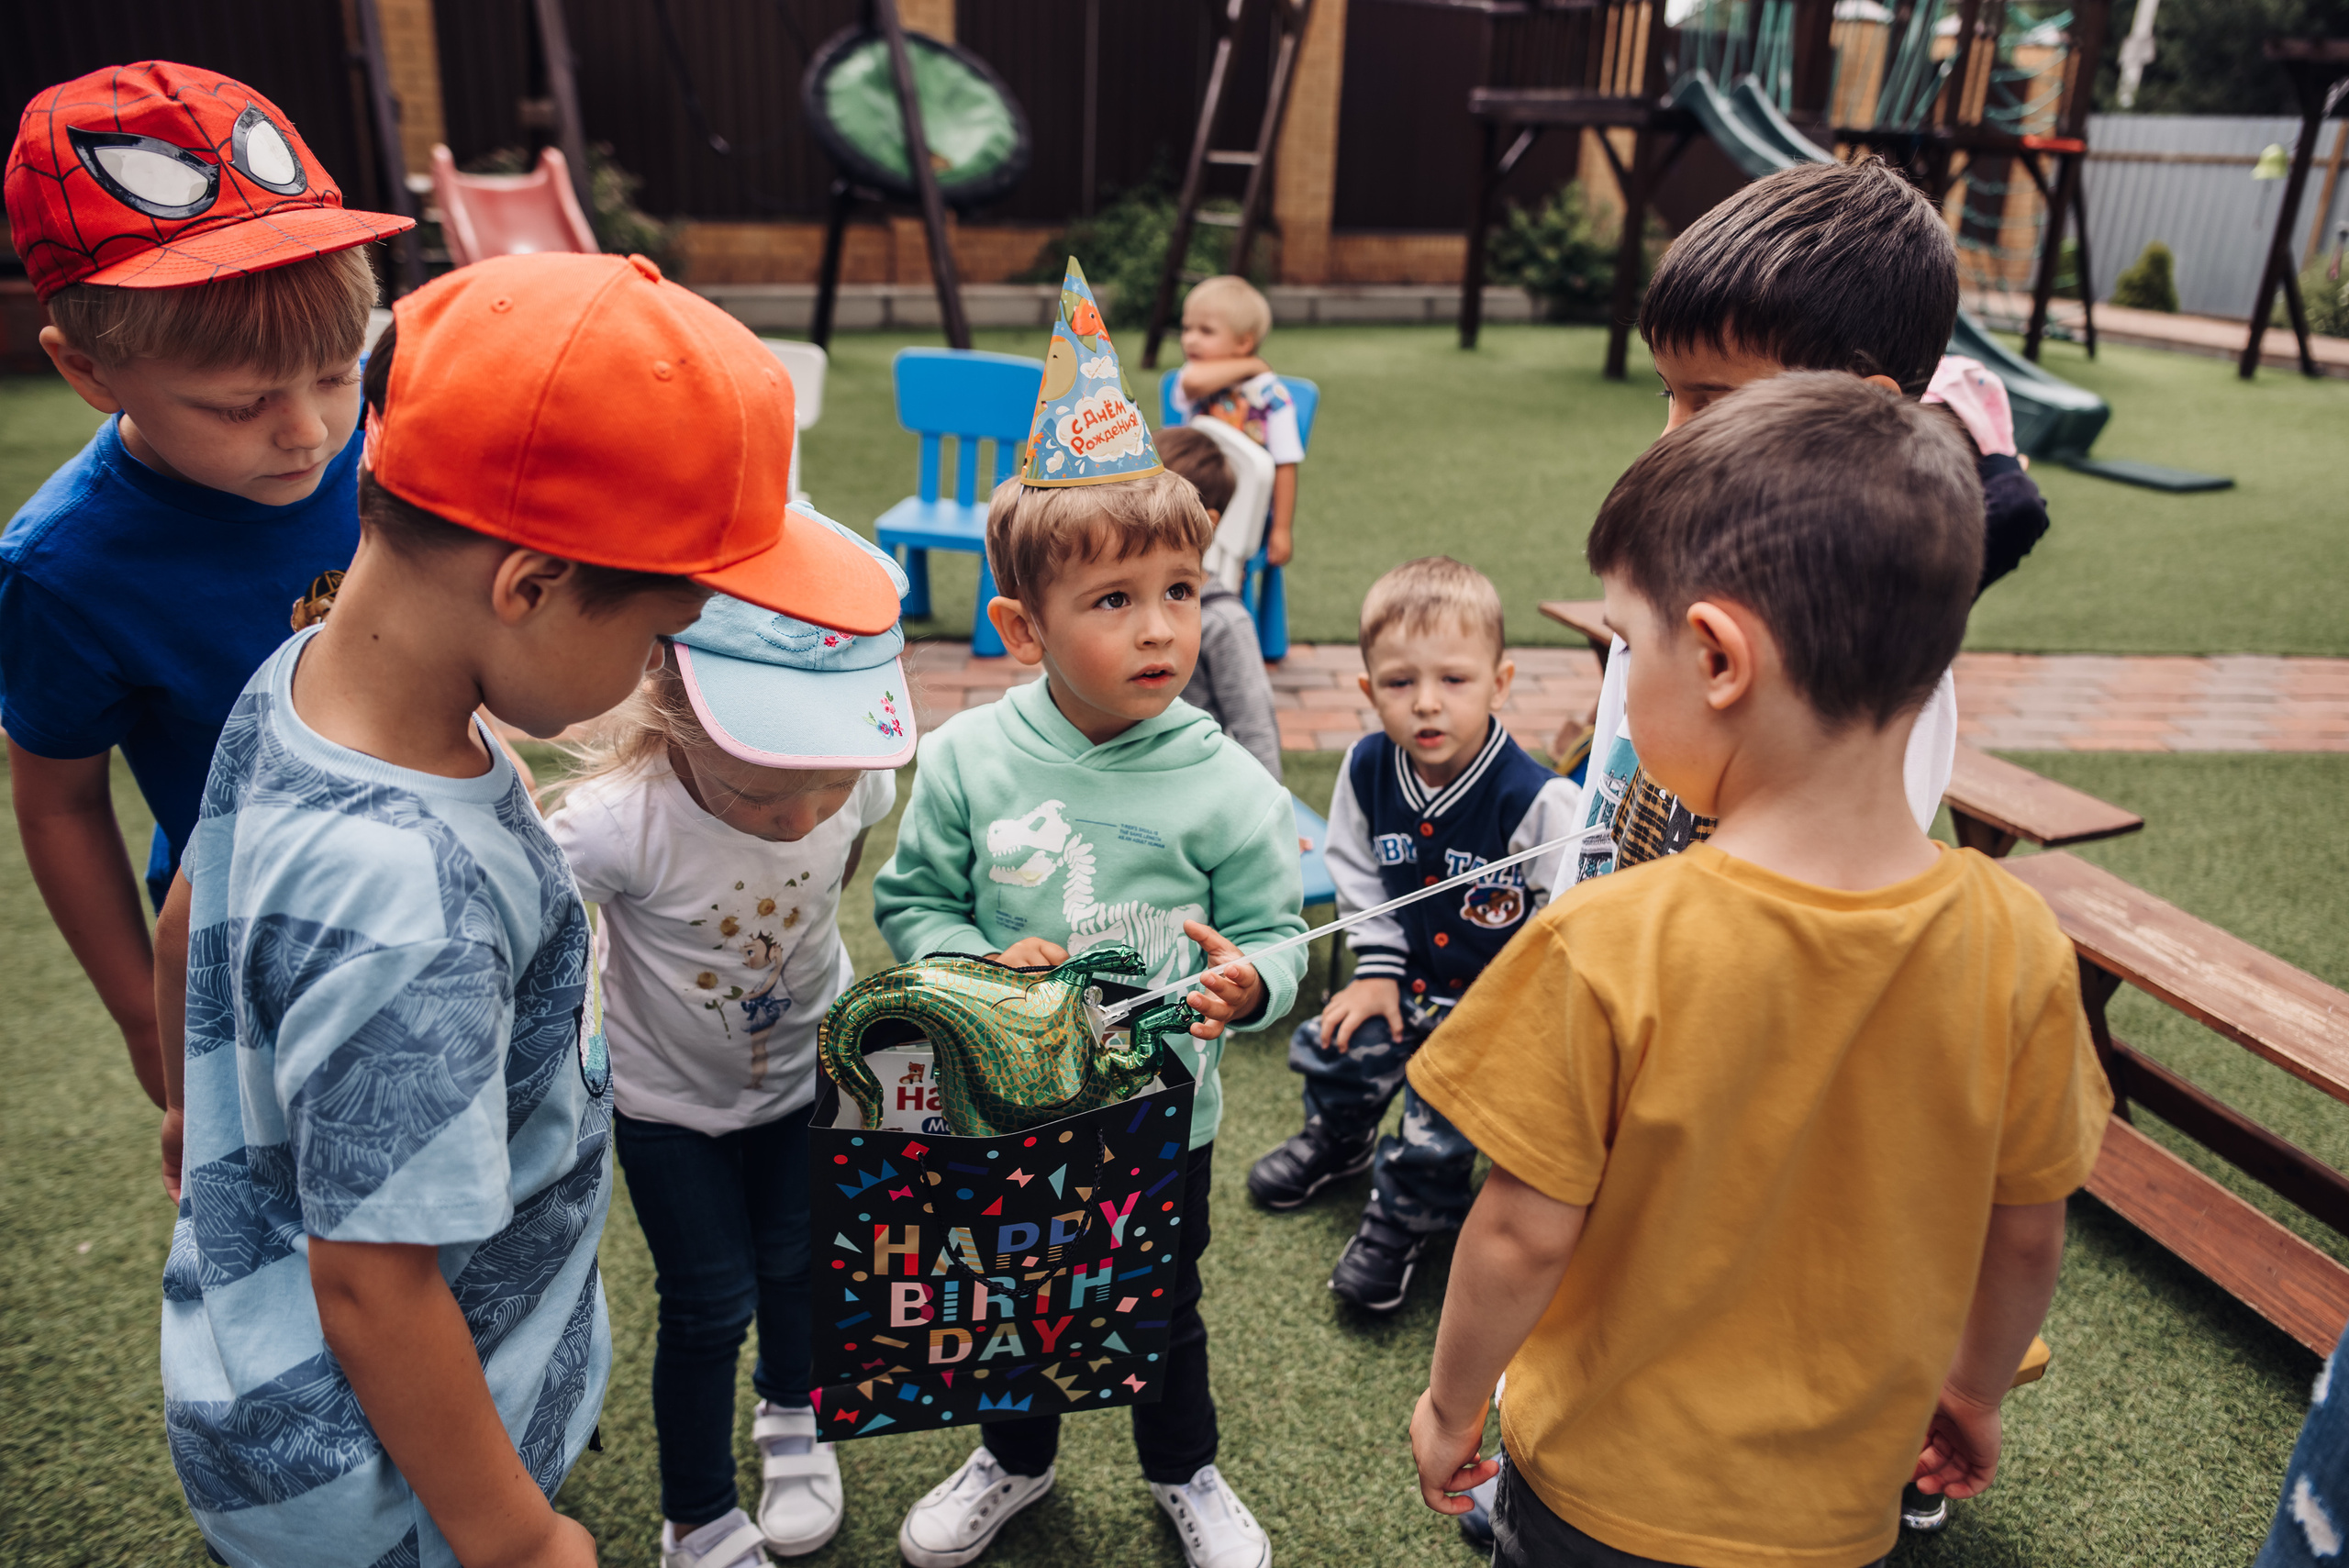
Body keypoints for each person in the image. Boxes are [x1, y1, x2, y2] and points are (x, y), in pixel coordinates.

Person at [153, 250, 899, 1568]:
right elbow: (375, 1290)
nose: (657, 671)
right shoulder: (410, 900)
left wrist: (189, 1111)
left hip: (314, 1397)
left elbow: (188, 917)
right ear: (533, 586)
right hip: (394, 1493)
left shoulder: (301, 675)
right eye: (658, 629)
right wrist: (515, 1539)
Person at [1405, 374, 2112, 1568]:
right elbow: (2027, 1231)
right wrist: (1976, 1389)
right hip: (1845, 1511)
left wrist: (1449, 1404)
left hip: (1597, 1502)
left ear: (1718, 658)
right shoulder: (2017, 940)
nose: (1622, 683)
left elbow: (1520, 1235)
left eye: (1628, 647)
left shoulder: (1606, 941)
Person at [873, 259, 1305, 1568]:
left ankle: (1187, 1471)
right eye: (1113, 601)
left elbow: (1279, 936)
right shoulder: (961, 761)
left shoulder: (1228, 782)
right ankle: (1014, 1459)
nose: (1161, 626)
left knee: (1161, 1309)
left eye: (1179, 589)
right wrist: (971, 959)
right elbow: (914, 902)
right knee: (1014, 1296)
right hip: (1005, 1100)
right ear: (1022, 623)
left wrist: (1256, 986)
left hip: (1165, 1111)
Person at [0, 61, 408, 1118]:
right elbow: (58, 803)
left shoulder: (385, 434)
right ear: (88, 372)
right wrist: (148, 1017)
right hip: (251, 938)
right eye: (238, 405)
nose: (310, 431)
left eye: (335, 370)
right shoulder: (66, 568)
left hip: (446, 874)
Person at [545, 539, 913, 1568]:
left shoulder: (859, 782)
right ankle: (696, 1514)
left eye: (826, 786)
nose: (799, 817)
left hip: (808, 1082)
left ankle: (792, 1420)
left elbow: (832, 870)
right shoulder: (618, 824)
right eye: (764, 800)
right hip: (668, 1110)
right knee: (708, 1303)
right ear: (673, 703)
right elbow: (525, 900)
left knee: (801, 1266)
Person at [1576, 157, 2046, 907]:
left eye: (1712, 401)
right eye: (1670, 394)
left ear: (1861, 416)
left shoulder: (1864, 679)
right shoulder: (1669, 584)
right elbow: (1609, 791)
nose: (1668, 439)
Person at [1245, 558, 1578, 1313]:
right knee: (1336, 1043)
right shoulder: (1368, 768)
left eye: (1454, 681)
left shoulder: (1538, 800)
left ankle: (1405, 1219)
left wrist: (1514, 1021)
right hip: (1399, 981)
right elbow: (1354, 866)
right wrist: (1377, 969)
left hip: (1493, 1011)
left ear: (1501, 681)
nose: (1426, 704)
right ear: (1368, 691)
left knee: (1436, 1117)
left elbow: (1567, 920)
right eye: (1399, 684)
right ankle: (1340, 1140)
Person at [1157, 426, 1281, 781]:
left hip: (1197, 786)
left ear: (1205, 524)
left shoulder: (1222, 621)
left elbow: (1255, 728)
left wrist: (1269, 817)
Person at [1173, 274, 1304, 567]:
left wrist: (1282, 529)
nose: (1190, 339)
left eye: (1206, 331)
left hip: (1248, 512)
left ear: (1244, 342)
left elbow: (1285, 465)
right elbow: (1193, 382)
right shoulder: (1197, 377)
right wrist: (1253, 364)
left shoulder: (1272, 398)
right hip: (1193, 502)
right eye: (1186, 328)